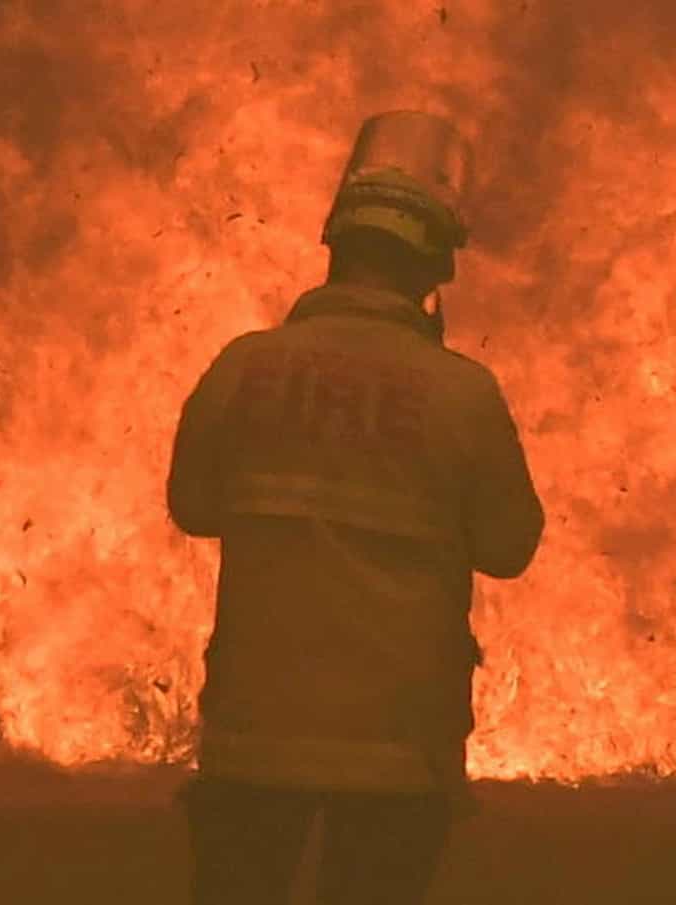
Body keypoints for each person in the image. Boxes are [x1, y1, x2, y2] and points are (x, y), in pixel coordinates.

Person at [166, 110, 545, 905]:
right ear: (432, 269)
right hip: (396, 751)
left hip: (254, 737)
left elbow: (194, 504)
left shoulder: (246, 366)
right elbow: (510, 545)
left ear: (334, 249)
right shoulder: (462, 397)